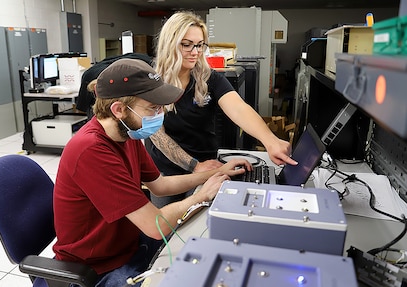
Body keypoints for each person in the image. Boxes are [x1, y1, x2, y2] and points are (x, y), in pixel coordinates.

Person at [52, 58, 251, 287]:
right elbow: (156, 226)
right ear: (118, 110)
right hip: (97, 268)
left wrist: (212, 174)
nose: (160, 114)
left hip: (128, 246)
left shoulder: (127, 133)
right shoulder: (90, 151)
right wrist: (201, 196)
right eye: (152, 108)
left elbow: (160, 185)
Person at [147, 11, 297, 207]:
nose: (195, 52)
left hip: (206, 165)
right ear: (170, 44)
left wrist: (270, 141)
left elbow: (238, 108)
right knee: (167, 229)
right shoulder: (152, 83)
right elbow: (158, 136)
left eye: (200, 45)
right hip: (168, 173)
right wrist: (194, 166)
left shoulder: (210, 78)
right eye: (187, 44)